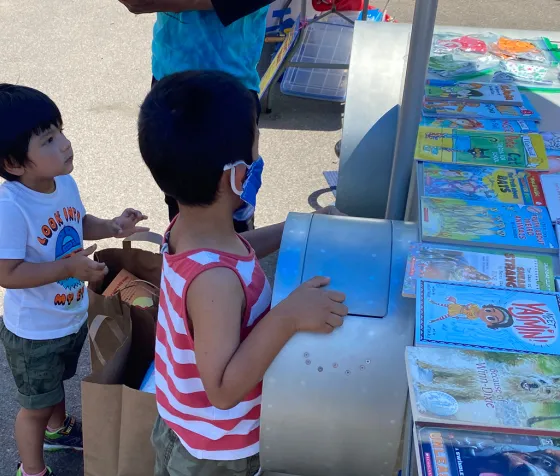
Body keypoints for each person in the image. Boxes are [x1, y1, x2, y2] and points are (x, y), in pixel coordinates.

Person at [138, 70, 348, 475]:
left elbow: (242, 251)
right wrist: (287, 316)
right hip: (216, 450)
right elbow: (222, 388)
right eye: (256, 142)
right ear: (238, 176)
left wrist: (298, 228)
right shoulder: (214, 280)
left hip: (185, 425)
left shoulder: (190, 229)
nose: (259, 155)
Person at [0, 84, 149, 476]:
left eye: (61, 131)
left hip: (67, 315)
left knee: (58, 384)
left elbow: (77, 222)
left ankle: (59, 429)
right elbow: (7, 274)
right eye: (49, 139)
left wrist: (112, 226)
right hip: (34, 330)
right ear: (14, 163)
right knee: (35, 406)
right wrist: (68, 269)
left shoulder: (63, 182)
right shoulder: (11, 207)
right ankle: (32, 470)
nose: (65, 144)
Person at [118, 0, 274, 230]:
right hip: (169, 80)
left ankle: (231, 259)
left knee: (231, 202)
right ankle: (185, 261)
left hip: (228, 95)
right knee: (181, 197)